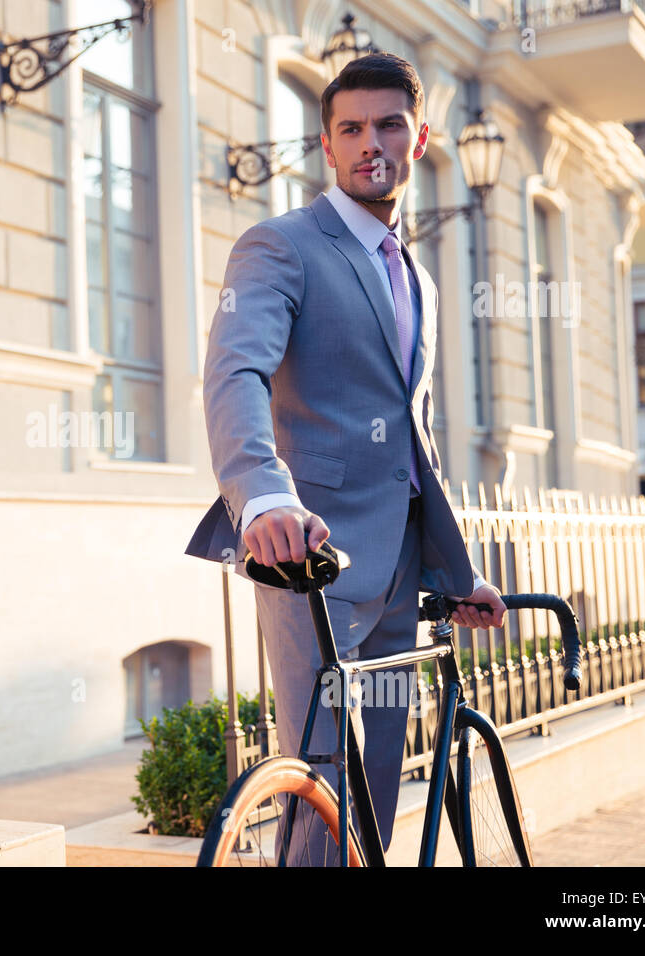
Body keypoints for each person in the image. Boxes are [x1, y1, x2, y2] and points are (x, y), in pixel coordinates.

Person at [185, 51, 508, 864]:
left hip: (401, 568)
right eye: (351, 128)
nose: (372, 143)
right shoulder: (281, 246)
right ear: (327, 146)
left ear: (419, 138)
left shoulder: (420, 279)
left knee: (377, 789)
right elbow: (236, 370)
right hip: (308, 555)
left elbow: (412, 437)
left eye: (388, 125)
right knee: (322, 787)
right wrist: (262, 497)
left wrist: (452, 568)